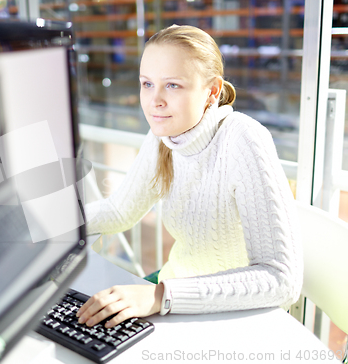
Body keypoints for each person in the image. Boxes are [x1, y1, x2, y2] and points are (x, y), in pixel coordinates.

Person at [76, 24, 303, 329]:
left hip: (233, 316)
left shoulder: (244, 139)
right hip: (173, 292)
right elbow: (119, 211)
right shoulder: (163, 134)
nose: (154, 100)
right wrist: (45, 224)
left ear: (211, 91)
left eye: (172, 85)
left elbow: (282, 280)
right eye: (146, 84)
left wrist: (160, 296)